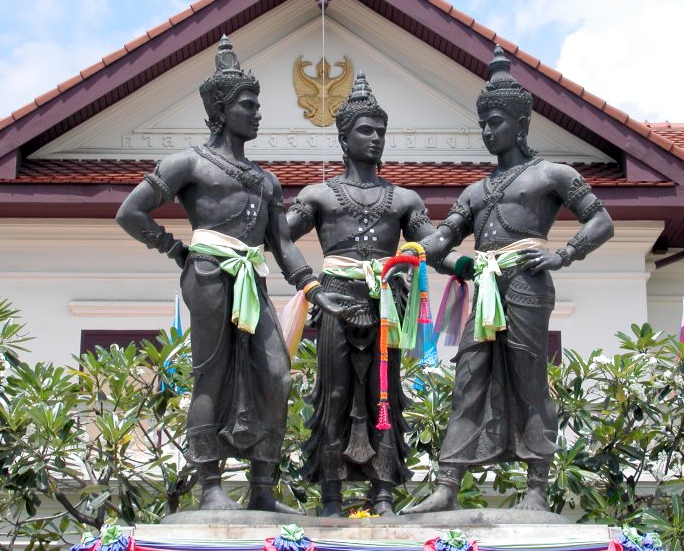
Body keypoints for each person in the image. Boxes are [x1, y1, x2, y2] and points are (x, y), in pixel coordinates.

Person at [115, 36, 363, 512]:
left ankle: (263, 488)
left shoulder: (266, 179)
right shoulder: (188, 162)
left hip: (253, 276)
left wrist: (312, 287)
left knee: (276, 372)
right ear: (221, 109)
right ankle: (210, 487)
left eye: (257, 104)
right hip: (209, 272)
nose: (257, 113)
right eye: (249, 104)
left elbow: (282, 243)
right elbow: (131, 212)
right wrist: (175, 250)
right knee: (212, 375)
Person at [402, 46, 614, 513]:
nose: (486, 131)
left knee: (528, 379)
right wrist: (419, 253)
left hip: (527, 284)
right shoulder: (475, 191)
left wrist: (564, 254)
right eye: (483, 123)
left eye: (494, 121)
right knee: (468, 377)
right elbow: (445, 238)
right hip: (486, 290)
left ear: (520, 124)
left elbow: (600, 221)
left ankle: (537, 487)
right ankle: (447, 484)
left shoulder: (551, 174)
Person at [286, 72, 437, 517]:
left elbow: (433, 243)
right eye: (365, 130)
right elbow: (279, 235)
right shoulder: (318, 195)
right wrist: (306, 282)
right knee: (332, 394)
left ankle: (384, 494)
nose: (375, 139)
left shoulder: (404, 200)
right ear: (344, 136)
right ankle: (330, 497)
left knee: (384, 394)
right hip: (335, 298)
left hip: (385, 302)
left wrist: (430, 255)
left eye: (381, 131)